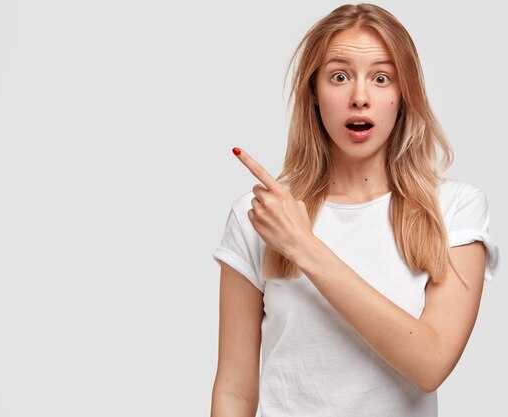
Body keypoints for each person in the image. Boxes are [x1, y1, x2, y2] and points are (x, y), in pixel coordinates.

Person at [210, 3, 500, 417]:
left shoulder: (454, 209)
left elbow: (430, 364)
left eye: (381, 78)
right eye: (340, 76)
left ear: (404, 96)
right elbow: (235, 391)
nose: (359, 98)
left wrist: (304, 247)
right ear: (314, 91)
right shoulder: (258, 216)